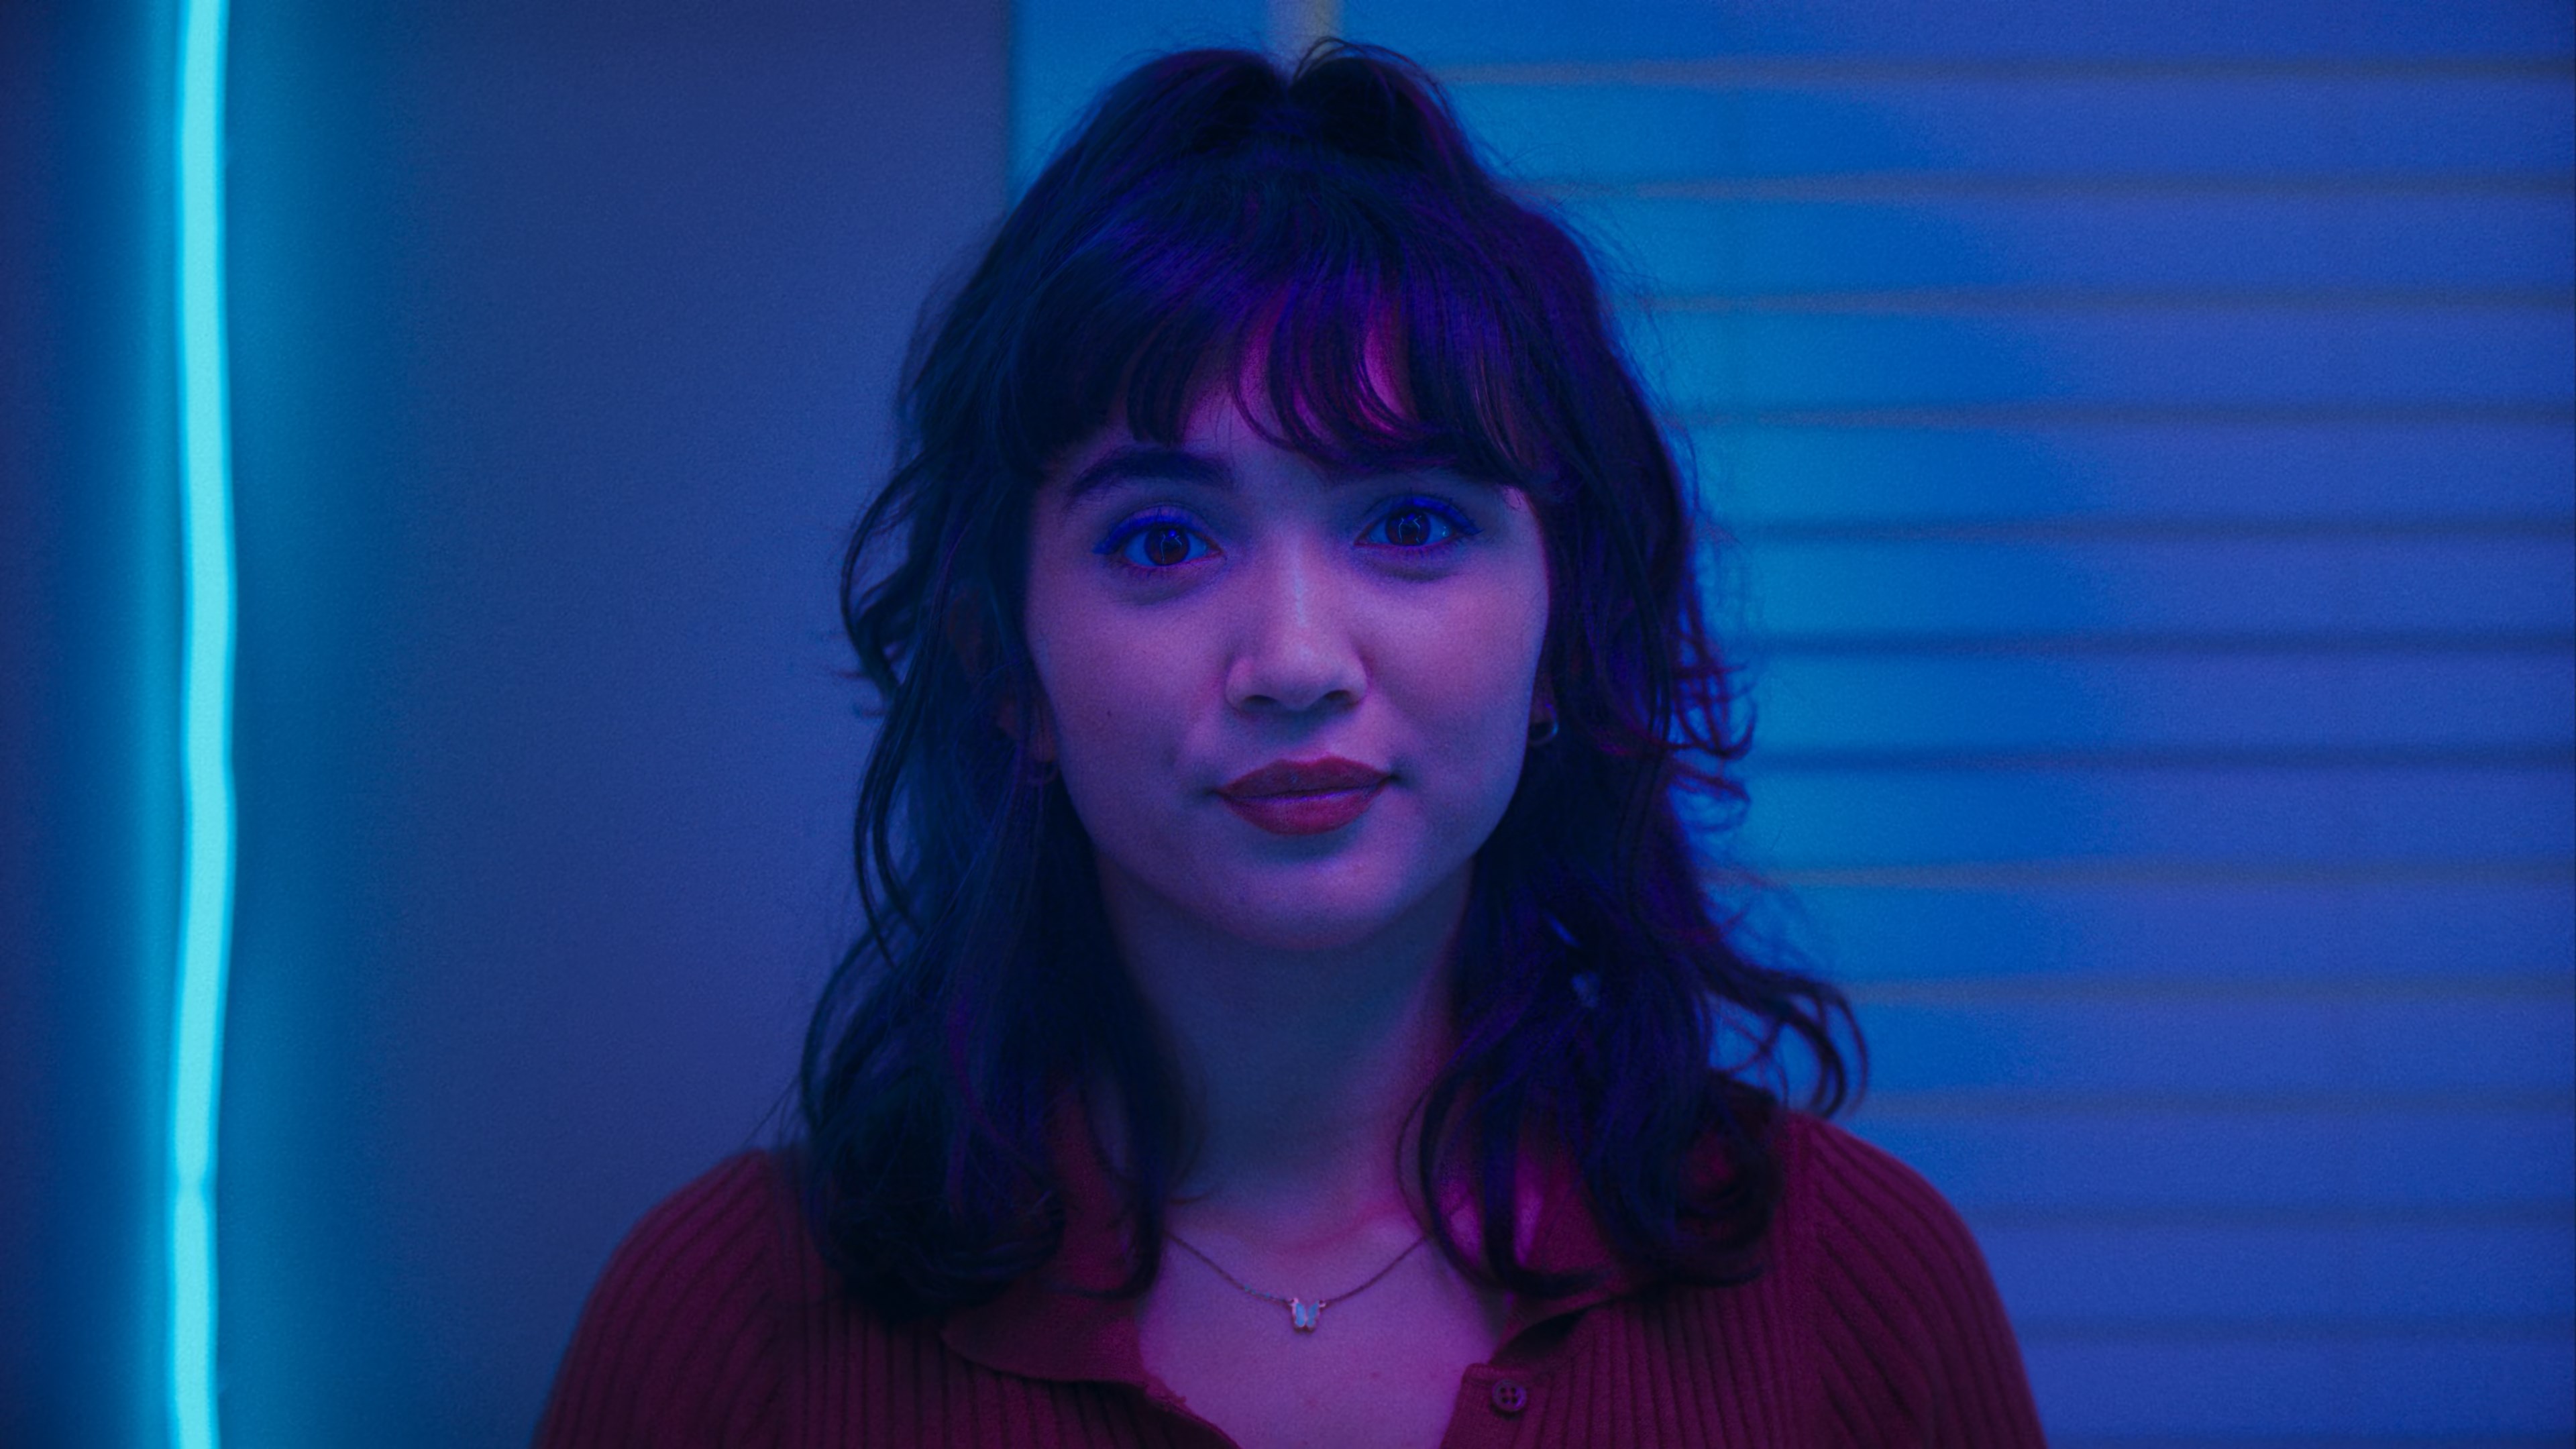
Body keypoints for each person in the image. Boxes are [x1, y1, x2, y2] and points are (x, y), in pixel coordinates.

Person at [535, 40, 2045, 1448]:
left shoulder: (1858, 1291)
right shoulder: (729, 1328)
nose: (1298, 664)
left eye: (1412, 522)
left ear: (1564, 632)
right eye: (1164, 539)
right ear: (1005, 667)